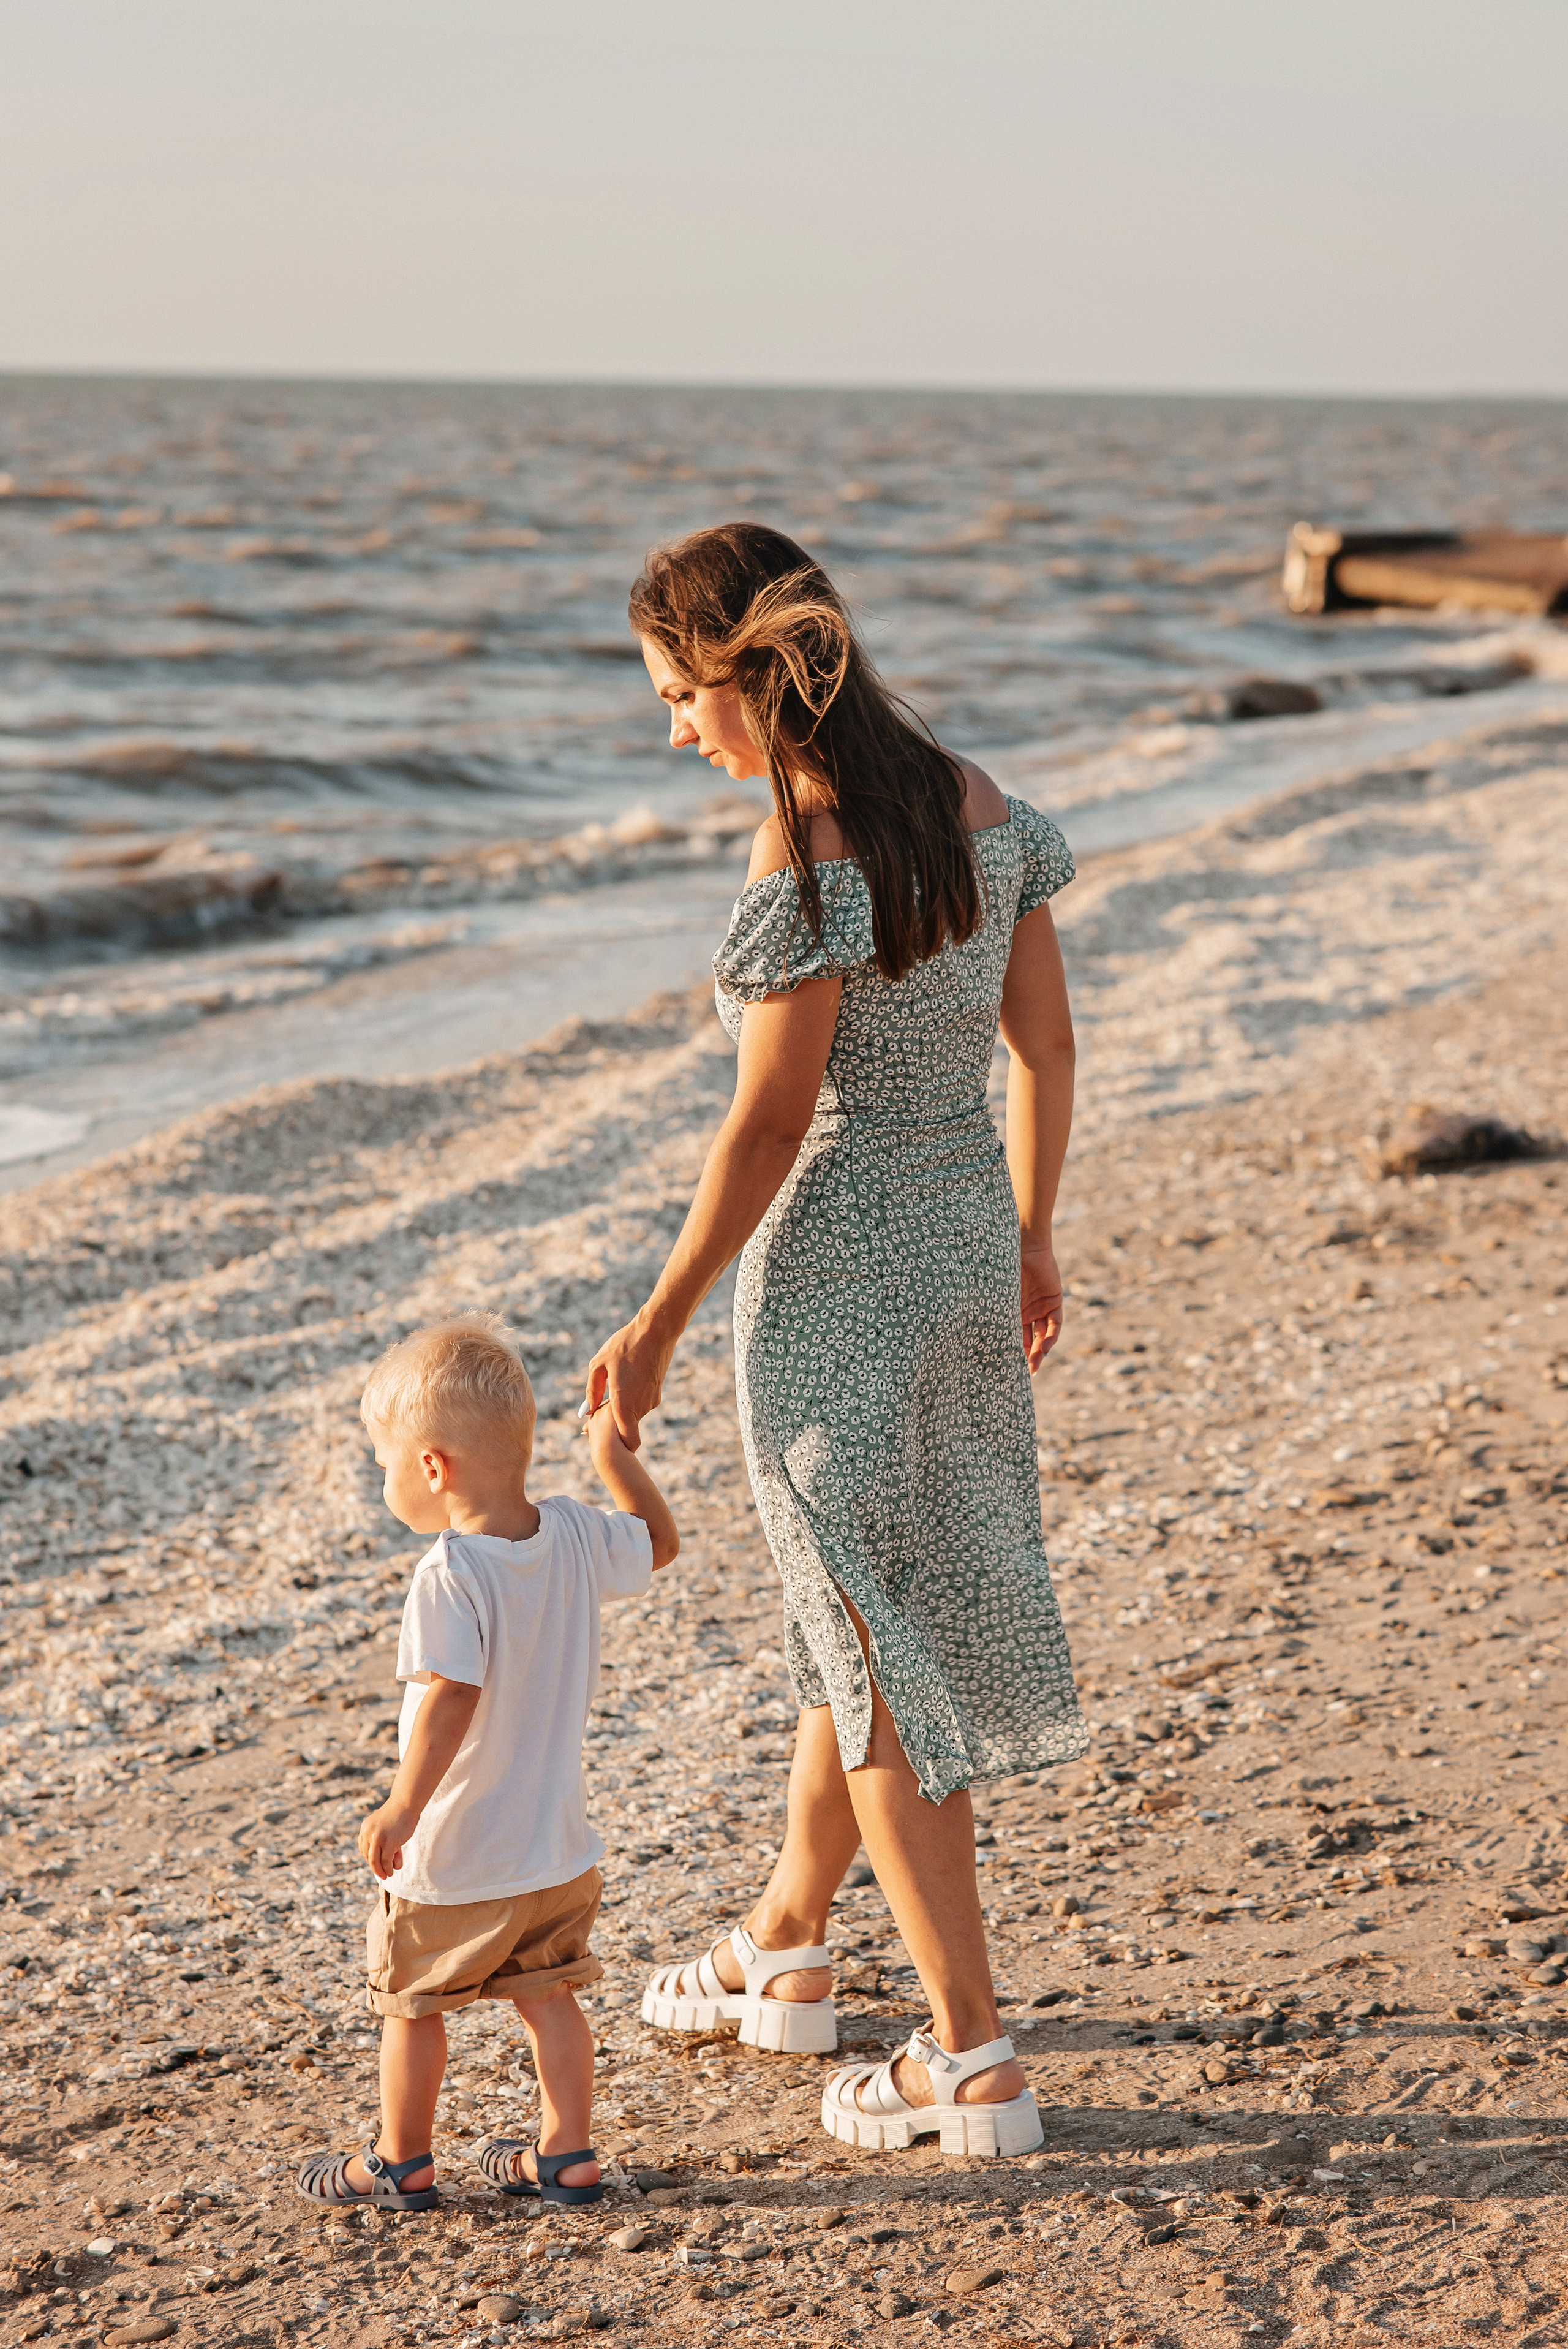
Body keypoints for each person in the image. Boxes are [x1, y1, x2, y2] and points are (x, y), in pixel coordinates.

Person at [587, 523, 1087, 2160]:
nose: (679, 730)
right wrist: (1028, 1228)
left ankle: (971, 2055)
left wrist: (655, 1322)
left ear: (755, 668)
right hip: (963, 1254)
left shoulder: (802, 853)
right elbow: (1046, 1047)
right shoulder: (983, 807)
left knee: (873, 1655)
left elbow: (770, 1121)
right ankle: (787, 1942)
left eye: (682, 694)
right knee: (862, 1609)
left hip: (841, 1278)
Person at [298, 1315, 678, 2212]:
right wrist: (613, 1456)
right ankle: (568, 2154)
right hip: (555, 1853)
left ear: (433, 1467)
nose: (384, 1478)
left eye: (383, 1461)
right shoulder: (581, 1537)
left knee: (413, 2004)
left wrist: (400, 1806)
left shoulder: (450, 1571)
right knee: (550, 2000)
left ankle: (402, 2159)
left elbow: (450, 1697)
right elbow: (658, 1542)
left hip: (459, 1855)